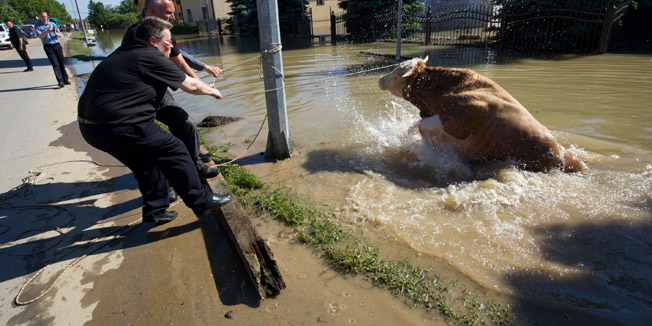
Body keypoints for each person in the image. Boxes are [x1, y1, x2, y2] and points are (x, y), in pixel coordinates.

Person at [77, 16, 232, 224]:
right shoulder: (149, 55)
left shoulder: (126, 50)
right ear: (153, 41)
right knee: (174, 149)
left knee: (146, 162)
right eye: (168, 42)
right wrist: (213, 92)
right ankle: (202, 201)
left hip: (91, 129)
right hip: (118, 125)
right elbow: (191, 86)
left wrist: (203, 83)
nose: (171, 46)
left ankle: (155, 211)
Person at [122, 0, 224, 186]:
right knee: (149, 141)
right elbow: (185, 81)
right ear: (152, 10)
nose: (174, 16)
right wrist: (203, 88)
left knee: (185, 124)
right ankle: (161, 186)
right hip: (135, 98)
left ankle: (195, 165)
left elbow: (180, 60)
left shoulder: (164, 31)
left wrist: (202, 81)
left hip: (158, 90)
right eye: (169, 12)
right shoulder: (138, 33)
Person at [34, 11, 69, 88]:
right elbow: (40, 36)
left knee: (61, 62)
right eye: (42, 16)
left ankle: (65, 79)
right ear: (39, 17)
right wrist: (47, 31)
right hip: (48, 46)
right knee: (55, 64)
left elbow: (60, 35)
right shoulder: (38, 26)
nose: (44, 18)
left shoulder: (52, 24)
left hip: (56, 45)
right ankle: (60, 81)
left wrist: (56, 34)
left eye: (45, 16)